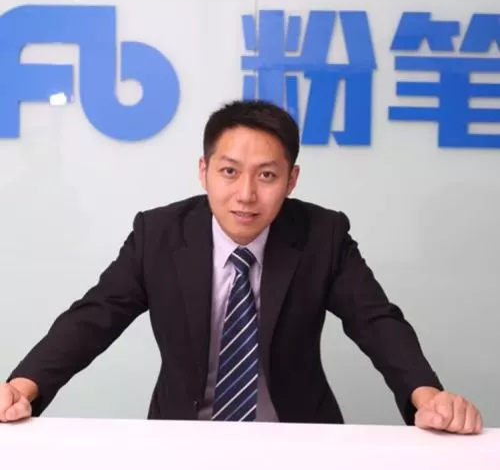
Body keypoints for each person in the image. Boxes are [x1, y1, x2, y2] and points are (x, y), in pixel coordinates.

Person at [0, 100, 482, 433]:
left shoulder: (323, 235)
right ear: (204, 171)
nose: (246, 194)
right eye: (229, 172)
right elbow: (94, 317)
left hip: (297, 436)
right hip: (182, 437)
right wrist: (21, 387)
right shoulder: (159, 234)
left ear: (291, 180)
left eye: (267, 175)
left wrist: (427, 396)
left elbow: (376, 320)